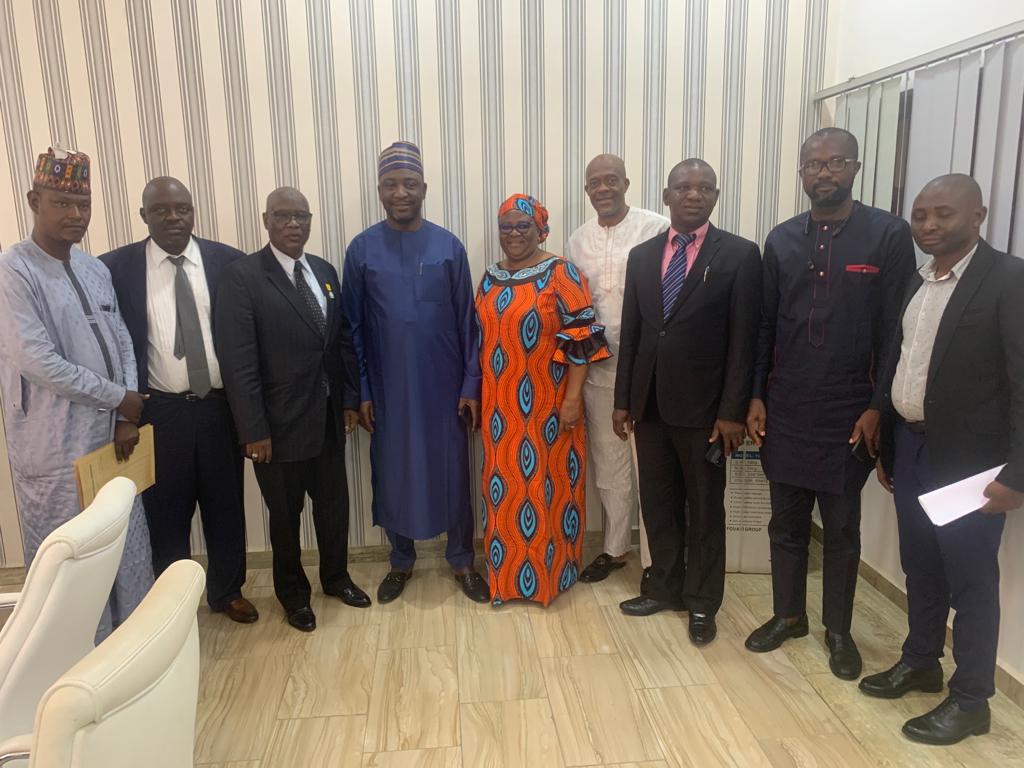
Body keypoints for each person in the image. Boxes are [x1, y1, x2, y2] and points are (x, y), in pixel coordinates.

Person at [744, 128, 916, 678]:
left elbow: (897, 330)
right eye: (813, 165)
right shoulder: (782, 239)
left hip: (850, 410)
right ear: (801, 173)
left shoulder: (888, 235)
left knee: (841, 529)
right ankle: (787, 615)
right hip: (787, 404)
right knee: (785, 523)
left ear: (855, 168)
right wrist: (755, 395)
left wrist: (875, 406)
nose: (824, 172)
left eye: (835, 162)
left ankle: (838, 631)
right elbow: (765, 326)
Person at [862, 174, 1024, 745]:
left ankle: (972, 698)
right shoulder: (918, 279)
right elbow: (903, 360)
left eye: (944, 214)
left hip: (972, 465)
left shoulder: (1008, 280)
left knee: (971, 580)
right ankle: (921, 660)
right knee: (921, 565)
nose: (929, 225)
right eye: (921, 214)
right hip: (912, 447)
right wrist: (885, 424)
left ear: (978, 215)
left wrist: (1018, 475)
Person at [0, 147, 153, 640]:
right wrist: (117, 398)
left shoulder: (94, 269)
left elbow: (123, 341)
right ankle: (77, 665)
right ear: (33, 200)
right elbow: (38, 362)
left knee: (124, 544)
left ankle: (130, 652)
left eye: (83, 205)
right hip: (52, 449)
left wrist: (128, 411)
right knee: (72, 557)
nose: (75, 215)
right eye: (62, 203)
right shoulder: (13, 272)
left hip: (112, 439)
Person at [613, 159, 761, 647]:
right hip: (650, 405)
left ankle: (702, 602)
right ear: (666, 194)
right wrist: (623, 401)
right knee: (658, 505)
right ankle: (665, 587)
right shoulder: (642, 256)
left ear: (715, 197)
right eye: (683, 187)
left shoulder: (740, 255)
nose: (693, 194)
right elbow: (635, 334)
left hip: (707, 413)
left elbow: (745, 341)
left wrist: (732, 410)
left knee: (703, 508)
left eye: (703, 188)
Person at [215, 186, 369, 632]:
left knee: (334, 507)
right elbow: (238, 361)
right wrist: (252, 429)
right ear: (266, 220)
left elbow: (339, 344)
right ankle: (293, 594)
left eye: (302, 216)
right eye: (283, 216)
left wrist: (347, 401)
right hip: (275, 429)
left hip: (326, 419)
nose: (293, 224)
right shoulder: (242, 277)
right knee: (285, 517)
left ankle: (336, 578)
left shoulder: (322, 272)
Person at [101, 177, 254, 625]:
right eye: (162, 210)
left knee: (226, 504)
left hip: (219, 406)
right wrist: (121, 415)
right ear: (143, 215)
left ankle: (227, 591)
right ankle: (171, 602)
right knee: (166, 509)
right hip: (158, 411)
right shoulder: (115, 268)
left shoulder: (228, 263)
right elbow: (111, 346)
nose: (173, 218)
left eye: (182, 209)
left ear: (193, 212)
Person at [341, 142, 486, 605]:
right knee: (392, 470)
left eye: (409, 183)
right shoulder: (361, 250)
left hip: (444, 392)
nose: (400, 192)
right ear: (379, 191)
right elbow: (353, 328)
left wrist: (470, 385)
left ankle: (461, 559)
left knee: (453, 472)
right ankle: (400, 560)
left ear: (424, 188)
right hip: (387, 391)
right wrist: (362, 389)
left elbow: (469, 324)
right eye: (390, 184)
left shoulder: (448, 246)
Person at [477, 194, 610, 606]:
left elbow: (582, 340)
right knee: (503, 490)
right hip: (499, 407)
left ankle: (547, 579)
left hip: (549, 404)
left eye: (523, 226)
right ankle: (506, 579)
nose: (514, 234)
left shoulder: (561, 273)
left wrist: (572, 399)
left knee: (546, 489)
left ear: (540, 229)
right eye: (506, 226)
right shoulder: (490, 276)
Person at [565, 154, 669, 590]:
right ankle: (613, 549)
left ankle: (657, 560)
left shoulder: (657, 228)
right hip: (599, 370)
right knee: (609, 465)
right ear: (587, 190)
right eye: (594, 183)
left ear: (626, 182)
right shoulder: (577, 240)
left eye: (611, 180)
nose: (603, 188)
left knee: (653, 468)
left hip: (651, 371)